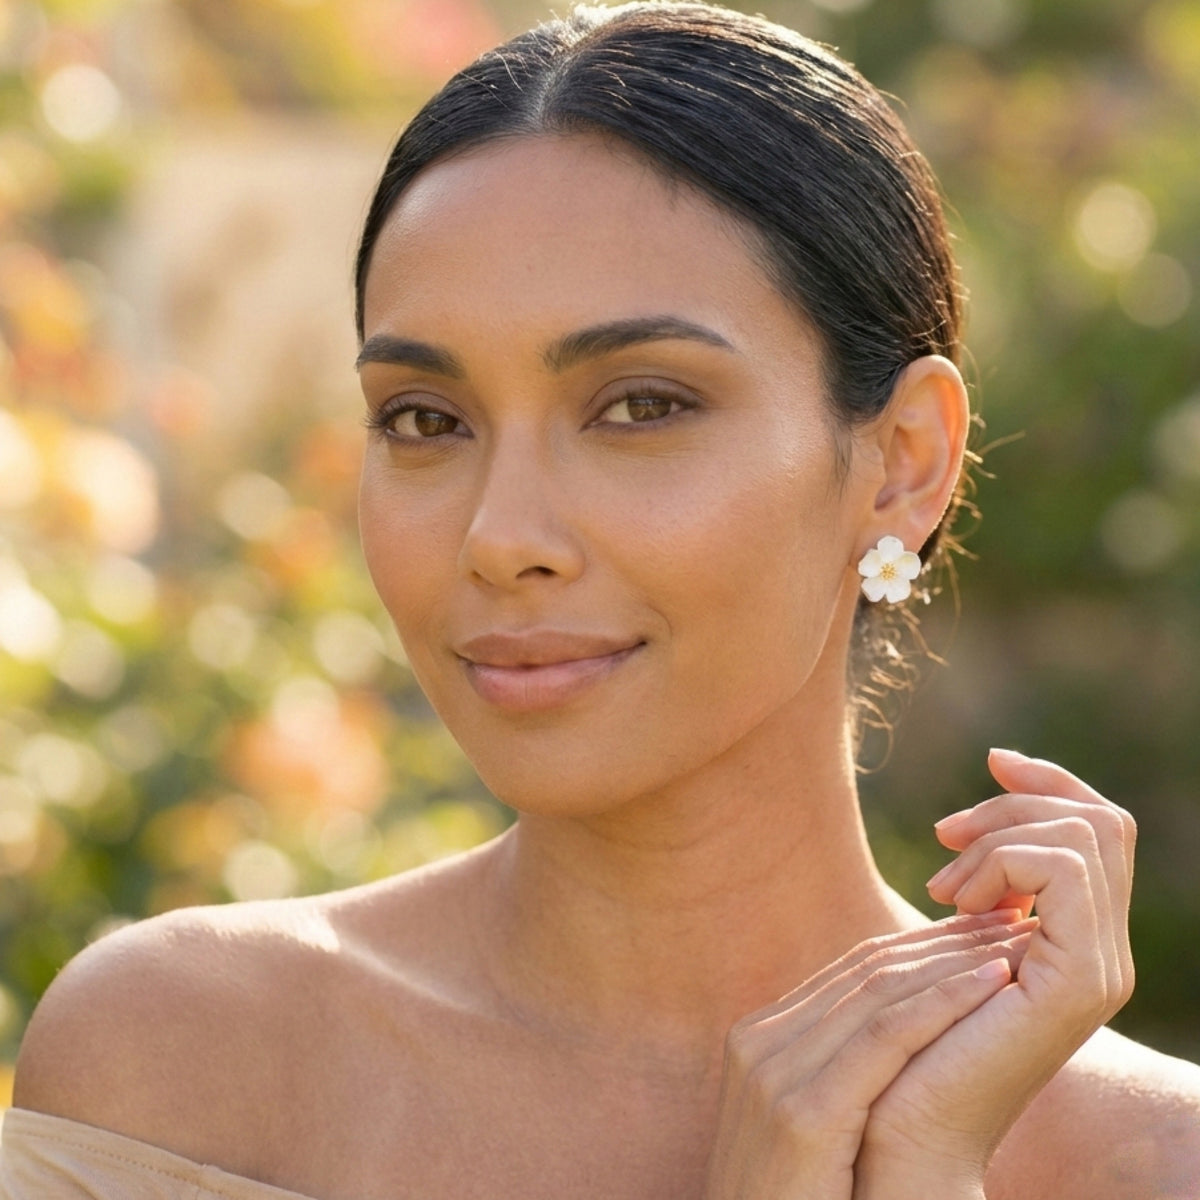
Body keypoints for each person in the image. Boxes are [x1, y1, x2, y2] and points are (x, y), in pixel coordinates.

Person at [3, 4, 1199, 1197]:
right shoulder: (179, 1067)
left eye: (641, 406)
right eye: (426, 420)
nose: (501, 537)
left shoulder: (1148, 1161)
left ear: (901, 464)